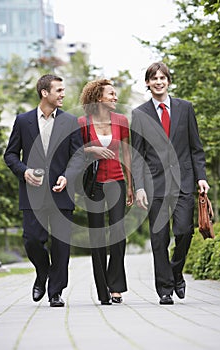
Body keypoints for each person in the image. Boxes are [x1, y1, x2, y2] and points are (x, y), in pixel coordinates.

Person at [131, 62, 209, 305]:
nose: (158, 82)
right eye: (154, 78)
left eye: (162, 77)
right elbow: (137, 154)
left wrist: (201, 177)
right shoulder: (140, 114)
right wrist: (140, 187)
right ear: (147, 83)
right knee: (159, 238)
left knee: (184, 231)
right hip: (155, 185)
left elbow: (195, 148)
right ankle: (165, 289)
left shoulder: (185, 108)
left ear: (168, 81)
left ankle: (175, 273)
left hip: (183, 181)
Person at [4, 74, 84, 307]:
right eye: (58, 90)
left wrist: (67, 177)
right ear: (44, 93)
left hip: (61, 192)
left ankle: (55, 292)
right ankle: (42, 272)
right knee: (31, 240)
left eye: (63, 90)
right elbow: (10, 154)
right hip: (33, 192)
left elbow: (78, 157)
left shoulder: (70, 121)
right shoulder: (23, 120)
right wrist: (24, 171)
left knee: (61, 245)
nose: (63, 94)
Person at [78, 79, 134, 305]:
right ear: (99, 97)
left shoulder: (121, 120)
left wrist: (130, 185)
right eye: (111, 94)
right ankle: (103, 291)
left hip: (117, 182)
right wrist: (91, 148)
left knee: (118, 234)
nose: (115, 97)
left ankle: (116, 286)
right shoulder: (83, 122)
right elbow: (76, 151)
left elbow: (127, 154)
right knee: (97, 237)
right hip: (93, 185)